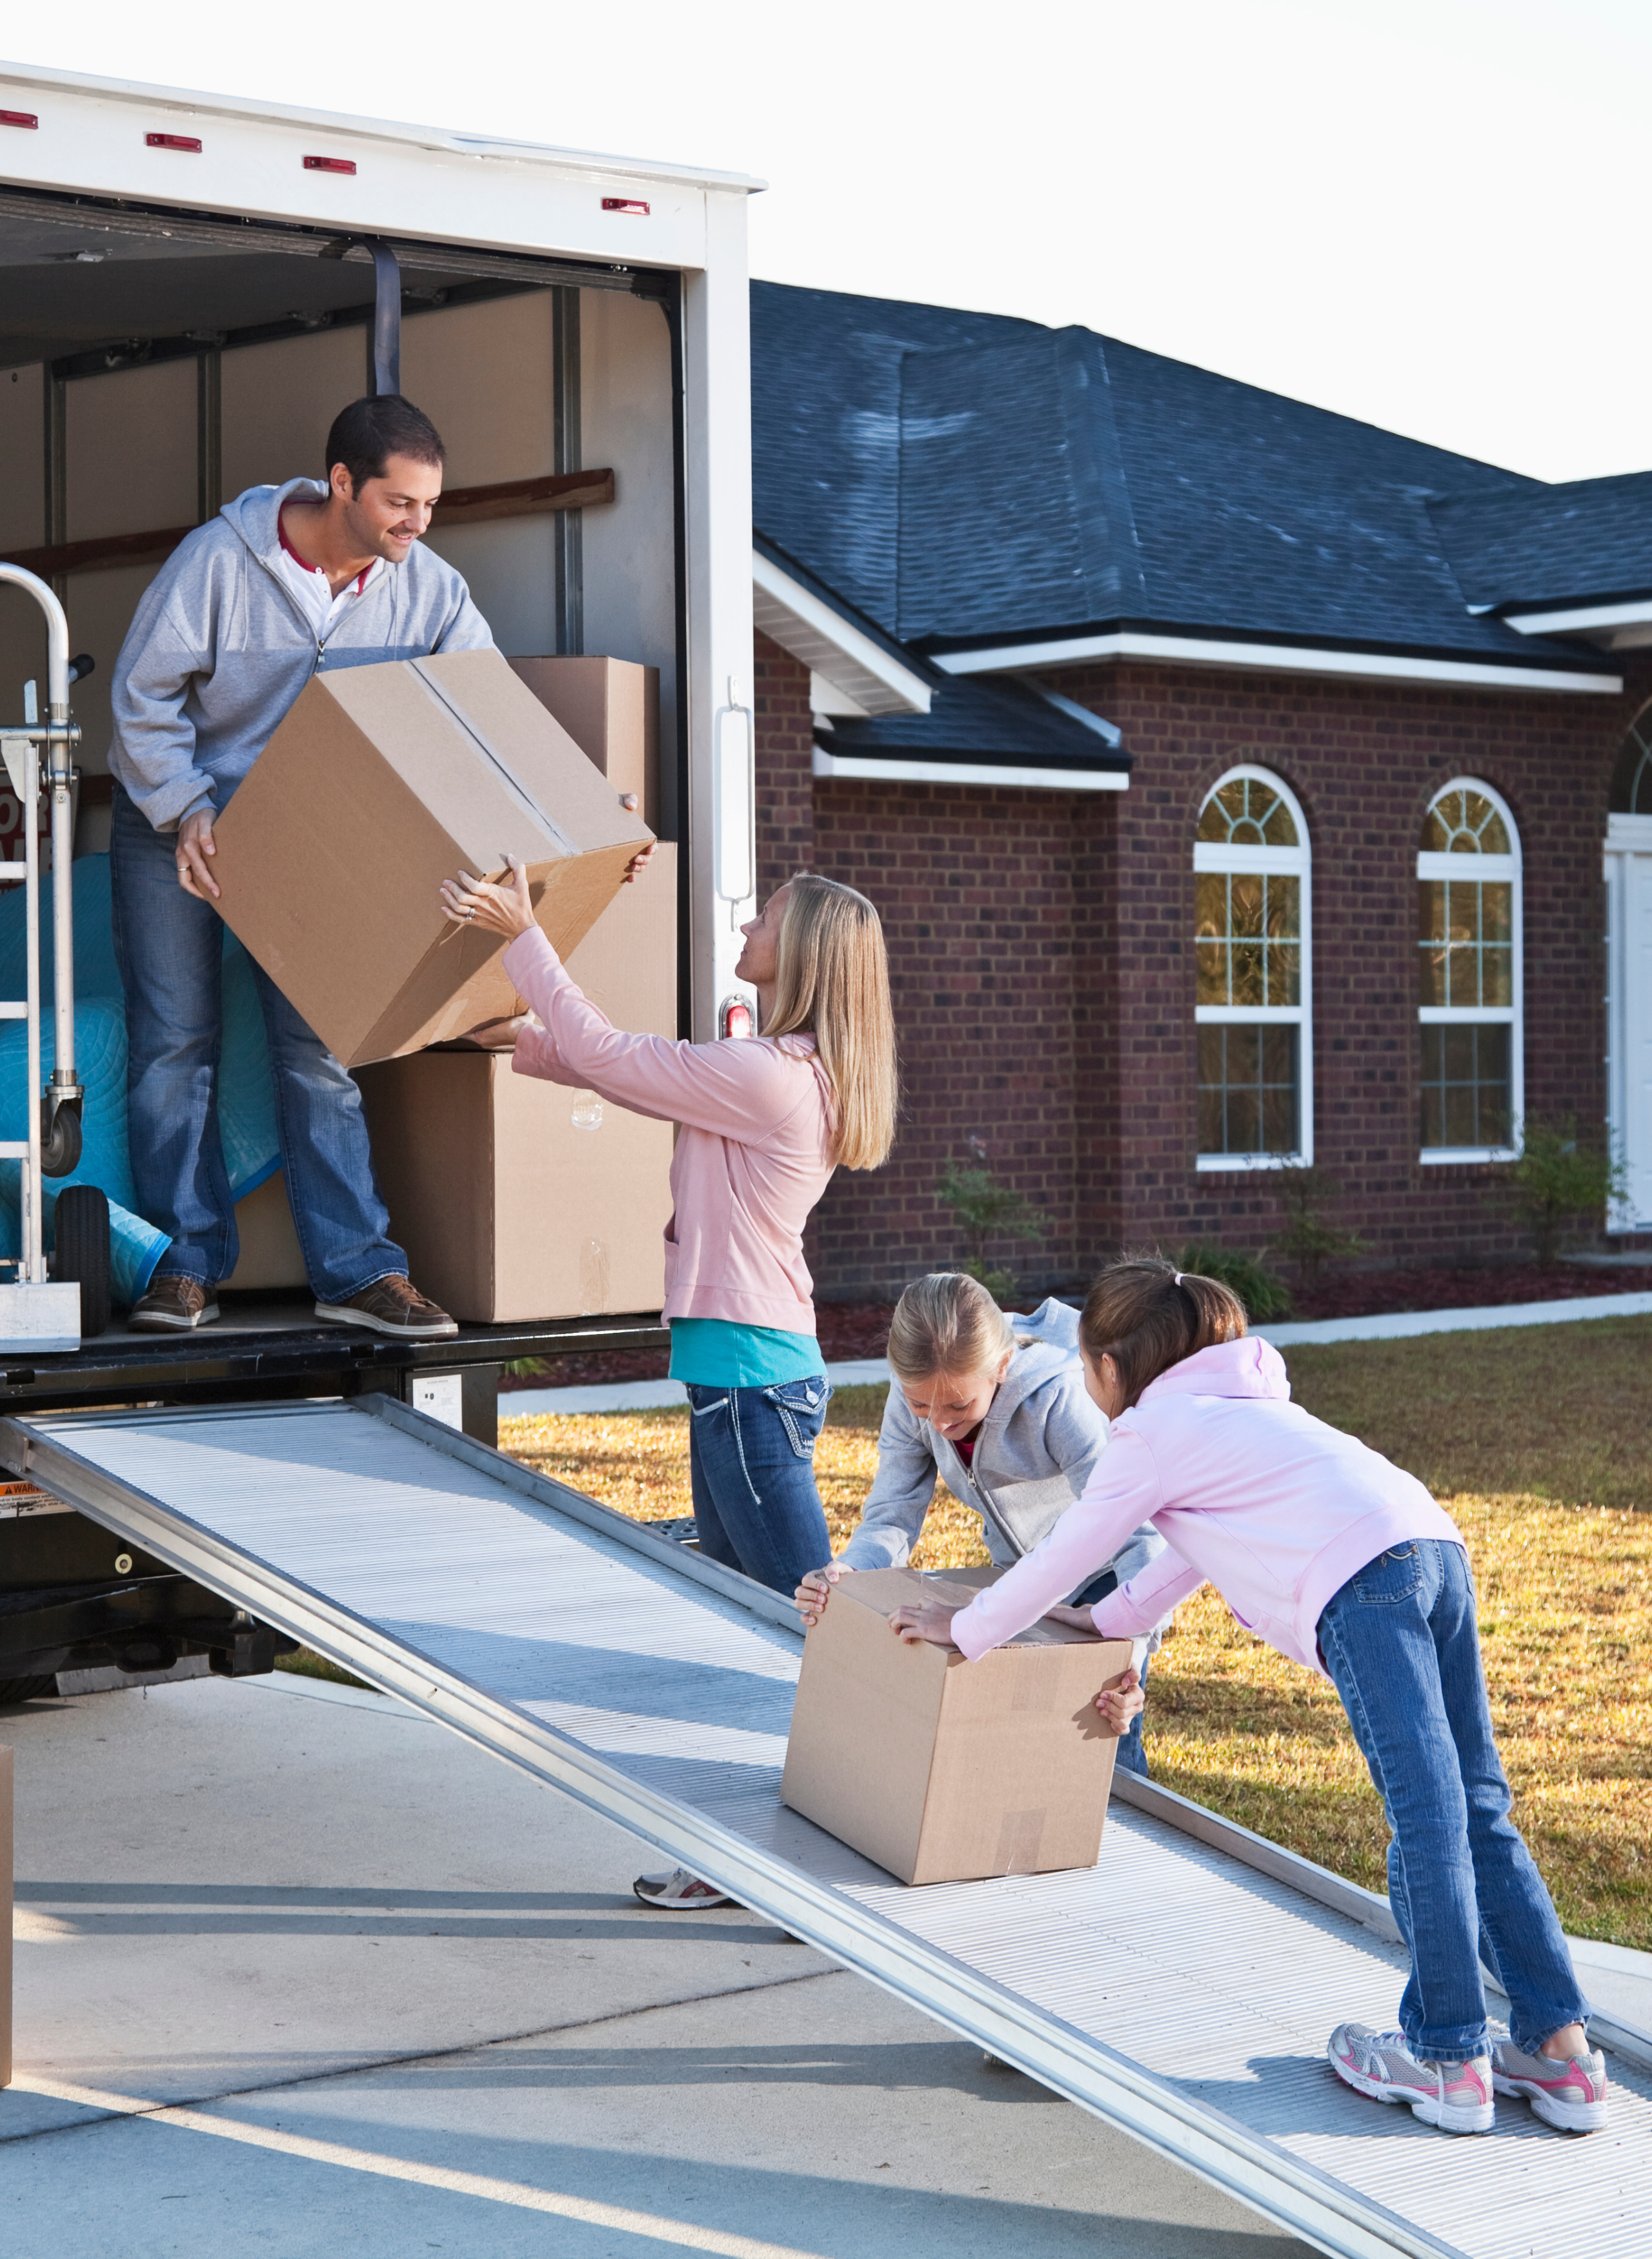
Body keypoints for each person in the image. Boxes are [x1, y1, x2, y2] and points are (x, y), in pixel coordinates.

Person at [889, 1257, 1607, 2140]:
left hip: (1365, 1581)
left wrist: (964, 1630)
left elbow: (1062, 1553)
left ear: (1112, 1367)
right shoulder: (1247, 1410)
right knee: (1477, 1803)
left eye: (1084, 1363)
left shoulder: (1152, 1434)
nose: (1082, 1379)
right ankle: (1560, 2051)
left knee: (1426, 1813)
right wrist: (1108, 1622)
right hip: (1432, 1546)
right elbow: (1190, 1555)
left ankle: (1448, 2057)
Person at [441, 858, 899, 1910]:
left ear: (808, 954)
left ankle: (835, 1864)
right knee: (744, 1631)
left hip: (749, 1383)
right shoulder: (772, 1069)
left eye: (769, 914)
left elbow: (615, 1052)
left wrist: (524, 935)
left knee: (802, 1636)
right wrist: (511, 1043)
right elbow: (619, 1071)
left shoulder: (773, 1077)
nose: (750, 918)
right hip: (739, 1378)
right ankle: (750, 1860)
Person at [108, 394, 488, 1336]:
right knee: (174, 1046)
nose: (418, 525)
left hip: (311, 837)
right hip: (177, 819)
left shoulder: (430, 589)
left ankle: (357, 1272)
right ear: (343, 484)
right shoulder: (218, 562)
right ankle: (180, 1266)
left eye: (431, 506)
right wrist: (186, 807)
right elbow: (140, 697)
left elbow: (479, 715)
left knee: (320, 1054)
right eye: (401, 504)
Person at [792, 1270, 1160, 1773]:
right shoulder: (911, 1402)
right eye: (922, 1403)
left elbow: (1137, 1532)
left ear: (1002, 1366)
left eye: (959, 1405)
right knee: (1026, 1746)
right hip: (1019, 1580)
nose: (939, 1423)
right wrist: (852, 1572)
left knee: (1103, 1746)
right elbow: (891, 1515)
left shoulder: (1057, 1400)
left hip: (1106, 1582)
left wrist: (1134, 1651)